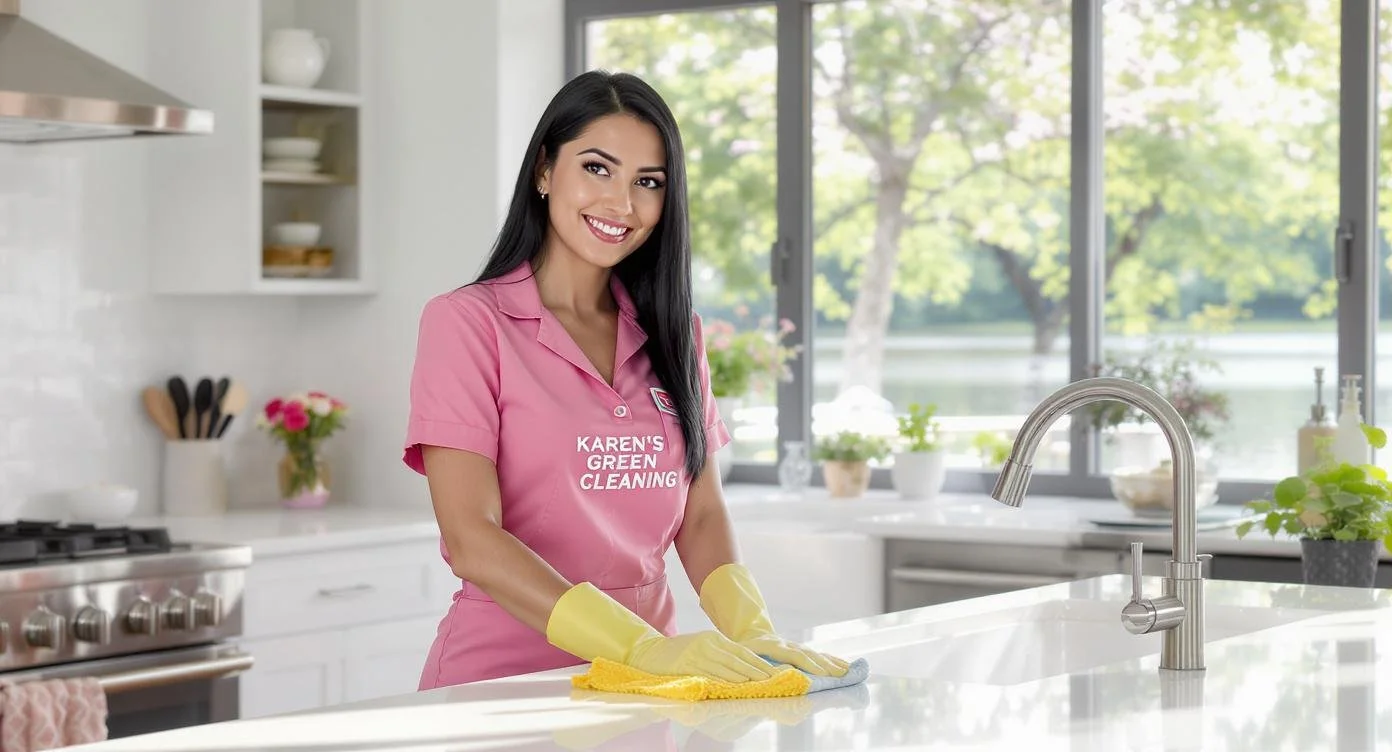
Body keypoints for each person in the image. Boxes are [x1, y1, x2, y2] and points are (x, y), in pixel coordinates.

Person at [402, 70, 850, 689]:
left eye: (648, 182)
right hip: (500, 682)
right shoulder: (468, 324)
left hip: (646, 691)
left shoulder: (674, 333)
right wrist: (638, 647)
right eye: (596, 168)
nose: (622, 203)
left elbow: (700, 514)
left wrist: (754, 633)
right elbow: (471, 537)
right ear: (543, 171)